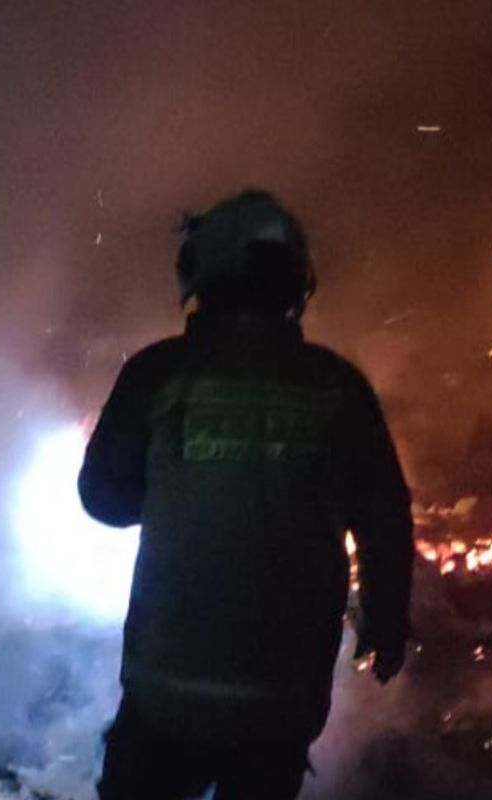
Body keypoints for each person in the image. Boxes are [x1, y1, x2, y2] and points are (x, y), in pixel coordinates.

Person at [79, 190, 414, 800]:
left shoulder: (158, 374)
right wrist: (387, 625)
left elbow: (102, 498)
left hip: (164, 689)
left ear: (202, 267)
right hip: (282, 703)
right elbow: (385, 520)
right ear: (296, 281)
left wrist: (182, 490)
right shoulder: (338, 387)